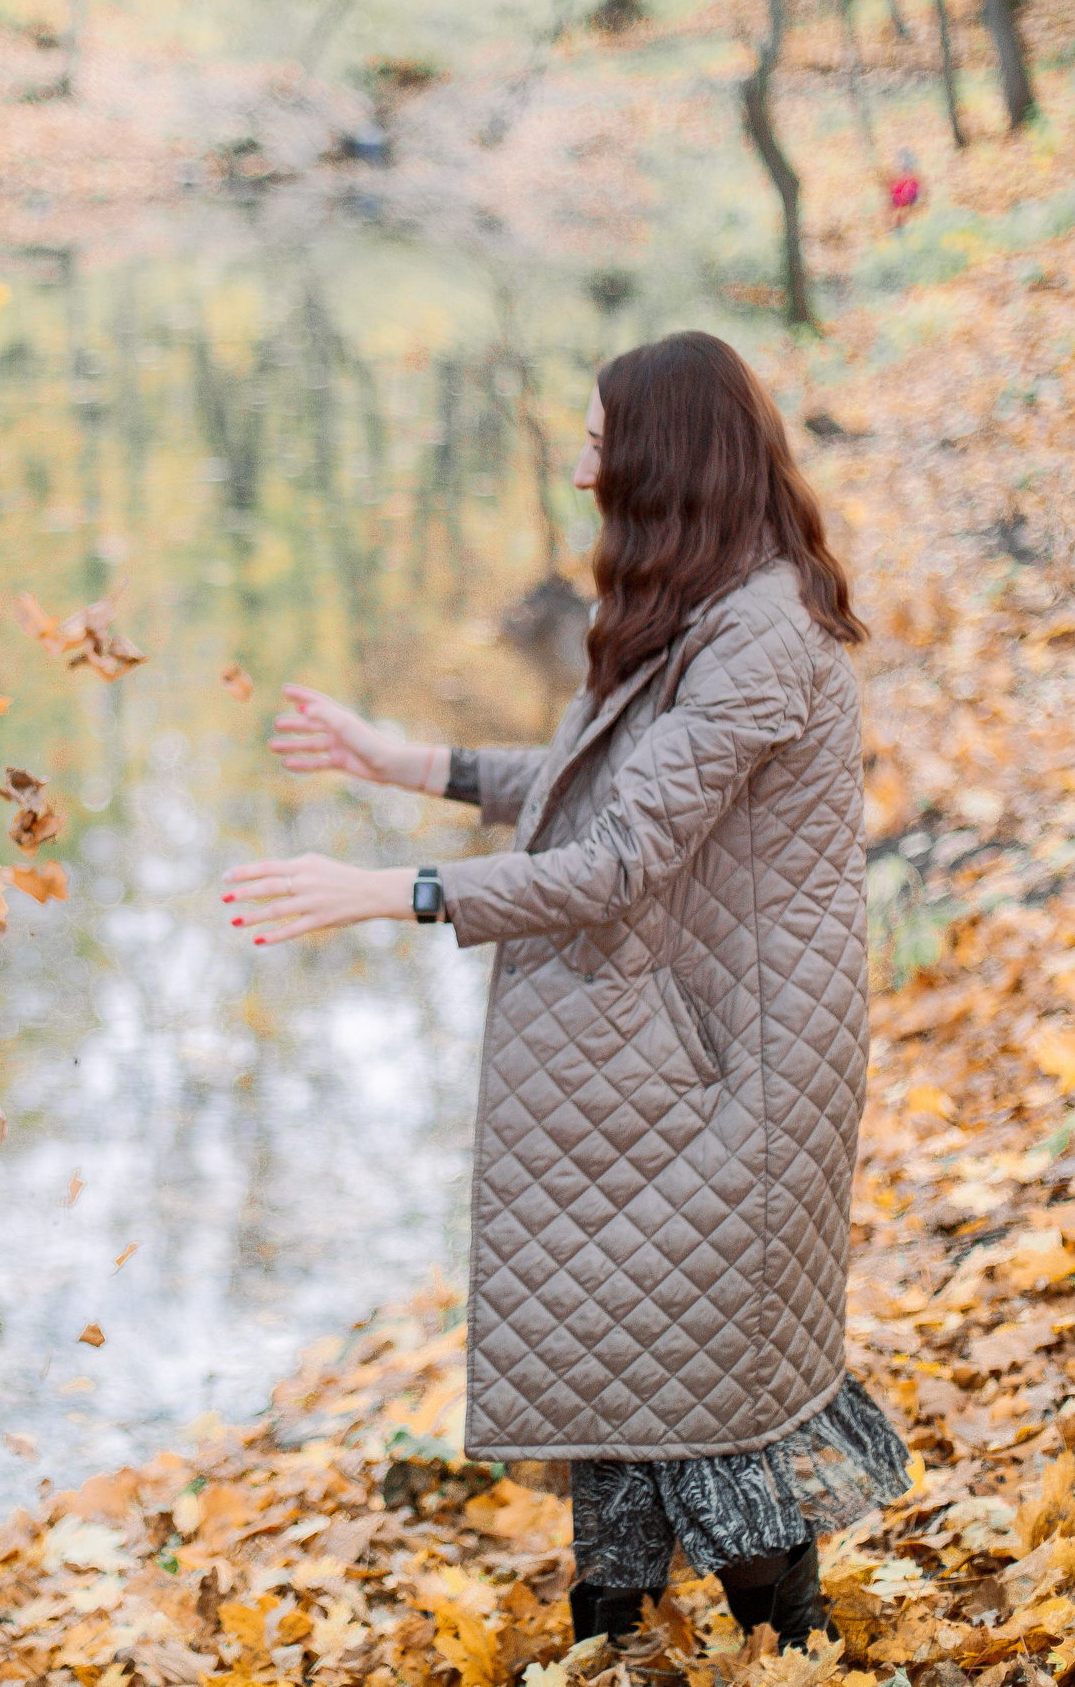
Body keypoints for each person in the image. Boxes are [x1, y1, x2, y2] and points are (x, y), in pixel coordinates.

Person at [220, 333, 912, 1650]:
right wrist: (402, 757)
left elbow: (617, 859)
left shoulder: (757, 639)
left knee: (714, 1418)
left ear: (664, 459)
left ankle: (799, 1657)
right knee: (634, 1388)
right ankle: (615, 1646)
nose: (583, 465)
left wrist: (394, 890)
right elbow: (594, 778)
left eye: (600, 440)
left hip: (735, 1087)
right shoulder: (707, 611)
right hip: (672, 1078)